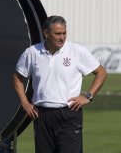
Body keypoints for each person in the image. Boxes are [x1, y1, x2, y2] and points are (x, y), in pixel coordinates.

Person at [13, 15, 107, 153]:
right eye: (57, 33)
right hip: (41, 115)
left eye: (64, 33)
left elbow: (101, 73)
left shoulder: (77, 51)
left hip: (69, 114)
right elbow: (17, 77)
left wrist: (88, 95)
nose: (62, 37)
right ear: (46, 33)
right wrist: (24, 102)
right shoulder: (32, 53)